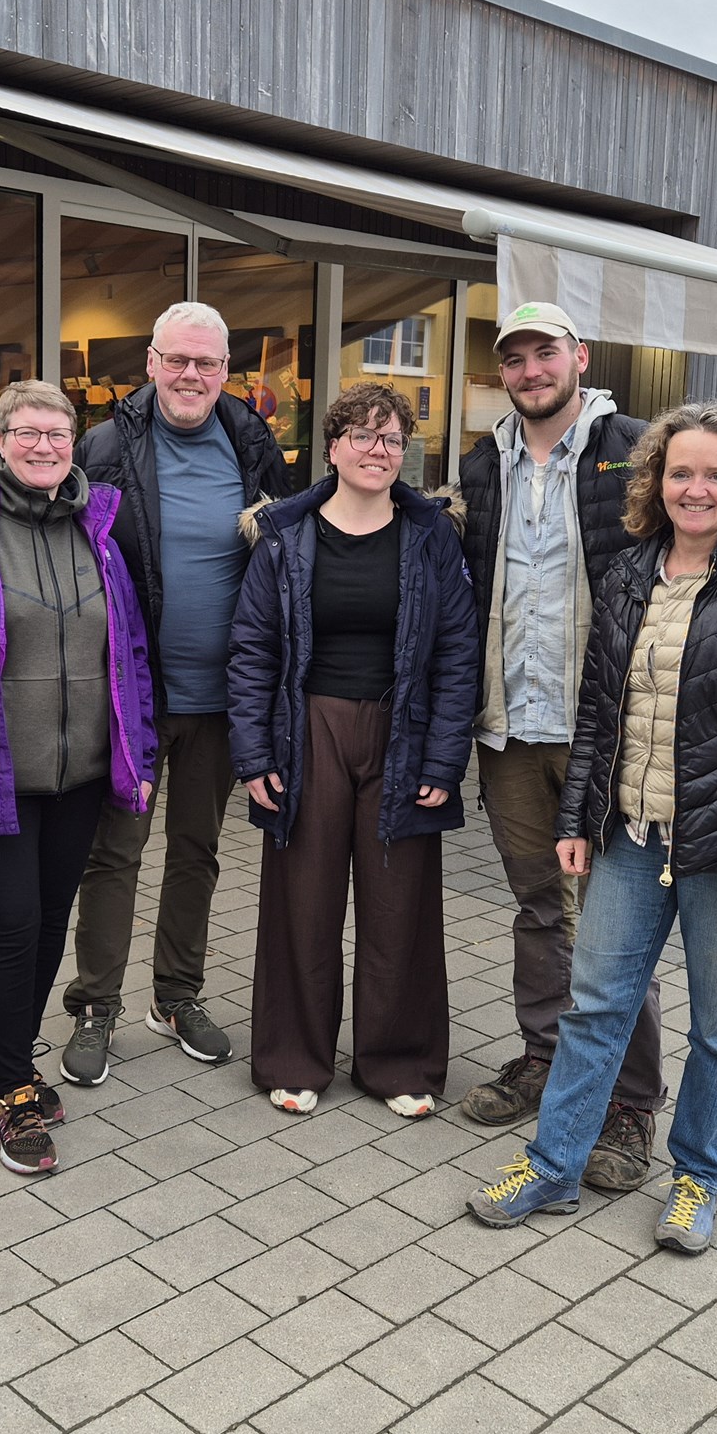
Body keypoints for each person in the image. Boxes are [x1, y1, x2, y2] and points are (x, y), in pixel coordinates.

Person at [466, 402, 717, 1255]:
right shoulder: (628, 575)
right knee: (594, 1008)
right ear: (655, 481)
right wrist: (577, 818)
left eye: (714, 474)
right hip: (629, 838)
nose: (694, 488)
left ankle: (697, 1178)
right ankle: (554, 1165)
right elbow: (598, 716)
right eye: (680, 472)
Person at [0, 380, 156, 1174]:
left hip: (79, 775)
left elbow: (131, 656)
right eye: (28, 432)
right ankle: (12, 1083)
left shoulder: (101, 533)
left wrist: (138, 756)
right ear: (0, 440)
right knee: (9, 926)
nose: (44, 446)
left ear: (74, 443)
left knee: (48, 922)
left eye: (58, 433)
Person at [453, 301, 663, 1193]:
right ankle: (544, 1056)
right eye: (516, 358)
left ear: (578, 357)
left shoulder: (637, 449)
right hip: (511, 725)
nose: (533, 369)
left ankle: (629, 1104)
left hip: (603, 730)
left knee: (618, 927)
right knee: (540, 905)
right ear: (502, 372)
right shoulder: (483, 460)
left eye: (547, 353)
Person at [228, 383, 478, 1116]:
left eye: (393, 439)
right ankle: (294, 1058)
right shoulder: (285, 536)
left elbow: (458, 651)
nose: (379, 450)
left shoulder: (431, 535)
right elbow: (250, 649)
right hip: (307, 733)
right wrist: (254, 755)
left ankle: (396, 1064)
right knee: (301, 902)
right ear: (332, 446)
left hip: (403, 732)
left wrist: (442, 760)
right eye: (364, 436)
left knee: (399, 902)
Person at [59, 301, 289, 1087]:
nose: (192, 375)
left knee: (198, 850)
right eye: (177, 360)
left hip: (223, 699)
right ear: (151, 364)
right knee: (115, 852)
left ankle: (177, 994)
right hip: (132, 696)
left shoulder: (253, 444)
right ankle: (96, 1003)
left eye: (209, 363)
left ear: (227, 373)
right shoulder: (104, 445)